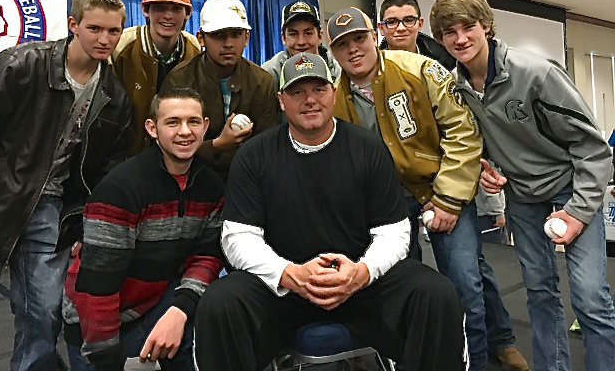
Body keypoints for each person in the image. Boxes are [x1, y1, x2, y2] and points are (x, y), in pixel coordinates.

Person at [192, 52, 468, 371]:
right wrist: (288, 274)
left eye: (319, 90)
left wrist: (362, 272)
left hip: (360, 283)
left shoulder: (368, 148)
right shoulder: (255, 155)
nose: (310, 100)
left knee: (436, 294)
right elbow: (238, 236)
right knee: (219, 305)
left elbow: (394, 231)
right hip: (284, 287)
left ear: (333, 94)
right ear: (282, 100)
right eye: (297, 92)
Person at [329, 6, 528, 371]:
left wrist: (449, 201)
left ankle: (480, 361)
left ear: (375, 37)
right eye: (343, 45)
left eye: (359, 38)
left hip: (441, 188)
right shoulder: (333, 96)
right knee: (403, 290)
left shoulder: (419, 69)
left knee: (465, 284)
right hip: (387, 207)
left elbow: (463, 131)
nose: (353, 50)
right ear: (333, 51)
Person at [430, 0, 615, 371]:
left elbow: (595, 149)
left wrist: (578, 213)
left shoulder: (536, 73)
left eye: (468, 27)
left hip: (572, 186)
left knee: (590, 297)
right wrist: (491, 165)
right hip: (523, 195)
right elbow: (475, 141)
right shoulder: (456, 87)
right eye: (450, 32)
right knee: (539, 293)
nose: (460, 38)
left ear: (487, 27)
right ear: (441, 40)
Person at [0, 0, 133, 371]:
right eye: (95, 28)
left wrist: (80, 222)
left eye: (114, 31)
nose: (104, 39)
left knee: (43, 315)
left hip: (51, 211)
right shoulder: (20, 64)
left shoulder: (114, 94)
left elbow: (107, 171)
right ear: (73, 25)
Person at [64, 87, 224, 371]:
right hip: (98, 327)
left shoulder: (211, 187)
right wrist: (107, 358)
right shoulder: (121, 189)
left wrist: (180, 310)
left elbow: (206, 256)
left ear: (206, 127)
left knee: (217, 311)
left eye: (194, 122)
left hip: (154, 303)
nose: (185, 131)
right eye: (173, 122)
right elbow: (97, 287)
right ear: (152, 128)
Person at [161, 0, 278, 180]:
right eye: (218, 35)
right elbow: (167, 143)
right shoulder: (180, 79)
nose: (229, 43)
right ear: (201, 38)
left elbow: (269, 145)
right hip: (190, 178)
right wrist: (216, 146)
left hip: (247, 178)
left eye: (236, 34)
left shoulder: (262, 82)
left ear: (247, 37)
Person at [112, 0, 200, 156]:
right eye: (159, 7)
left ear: (188, 14)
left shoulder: (194, 49)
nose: (168, 16)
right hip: (128, 155)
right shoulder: (121, 46)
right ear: (145, 10)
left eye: (176, 9)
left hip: (178, 154)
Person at [262, 0, 341, 90]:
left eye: (308, 33)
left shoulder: (339, 72)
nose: (301, 42)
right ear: (283, 38)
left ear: (320, 36)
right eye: (293, 34)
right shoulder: (269, 75)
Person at [378, 0, 455, 69]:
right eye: (391, 22)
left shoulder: (446, 62)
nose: (401, 28)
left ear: (420, 24)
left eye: (408, 20)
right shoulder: (373, 66)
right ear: (381, 28)